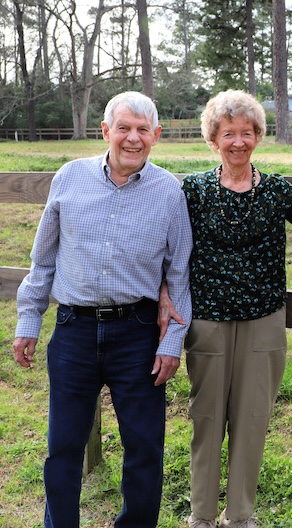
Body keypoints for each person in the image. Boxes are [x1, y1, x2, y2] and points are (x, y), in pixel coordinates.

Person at [165, 90, 292, 528]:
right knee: (207, 419)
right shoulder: (192, 190)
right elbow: (166, 247)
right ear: (213, 138)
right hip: (209, 322)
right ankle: (200, 516)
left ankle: (240, 517)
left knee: (252, 421)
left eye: (247, 132)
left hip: (264, 323)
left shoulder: (275, 190)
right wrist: (163, 292)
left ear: (258, 136)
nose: (238, 141)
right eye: (228, 133)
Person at [12, 91, 193, 528]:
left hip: (138, 333)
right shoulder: (69, 178)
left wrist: (171, 342)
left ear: (157, 136)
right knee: (64, 447)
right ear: (106, 131)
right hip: (73, 330)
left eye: (143, 130)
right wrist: (28, 320)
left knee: (145, 447)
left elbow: (180, 272)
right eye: (124, 128)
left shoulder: (170, 192)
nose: (133, 138)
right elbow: (44, 260)